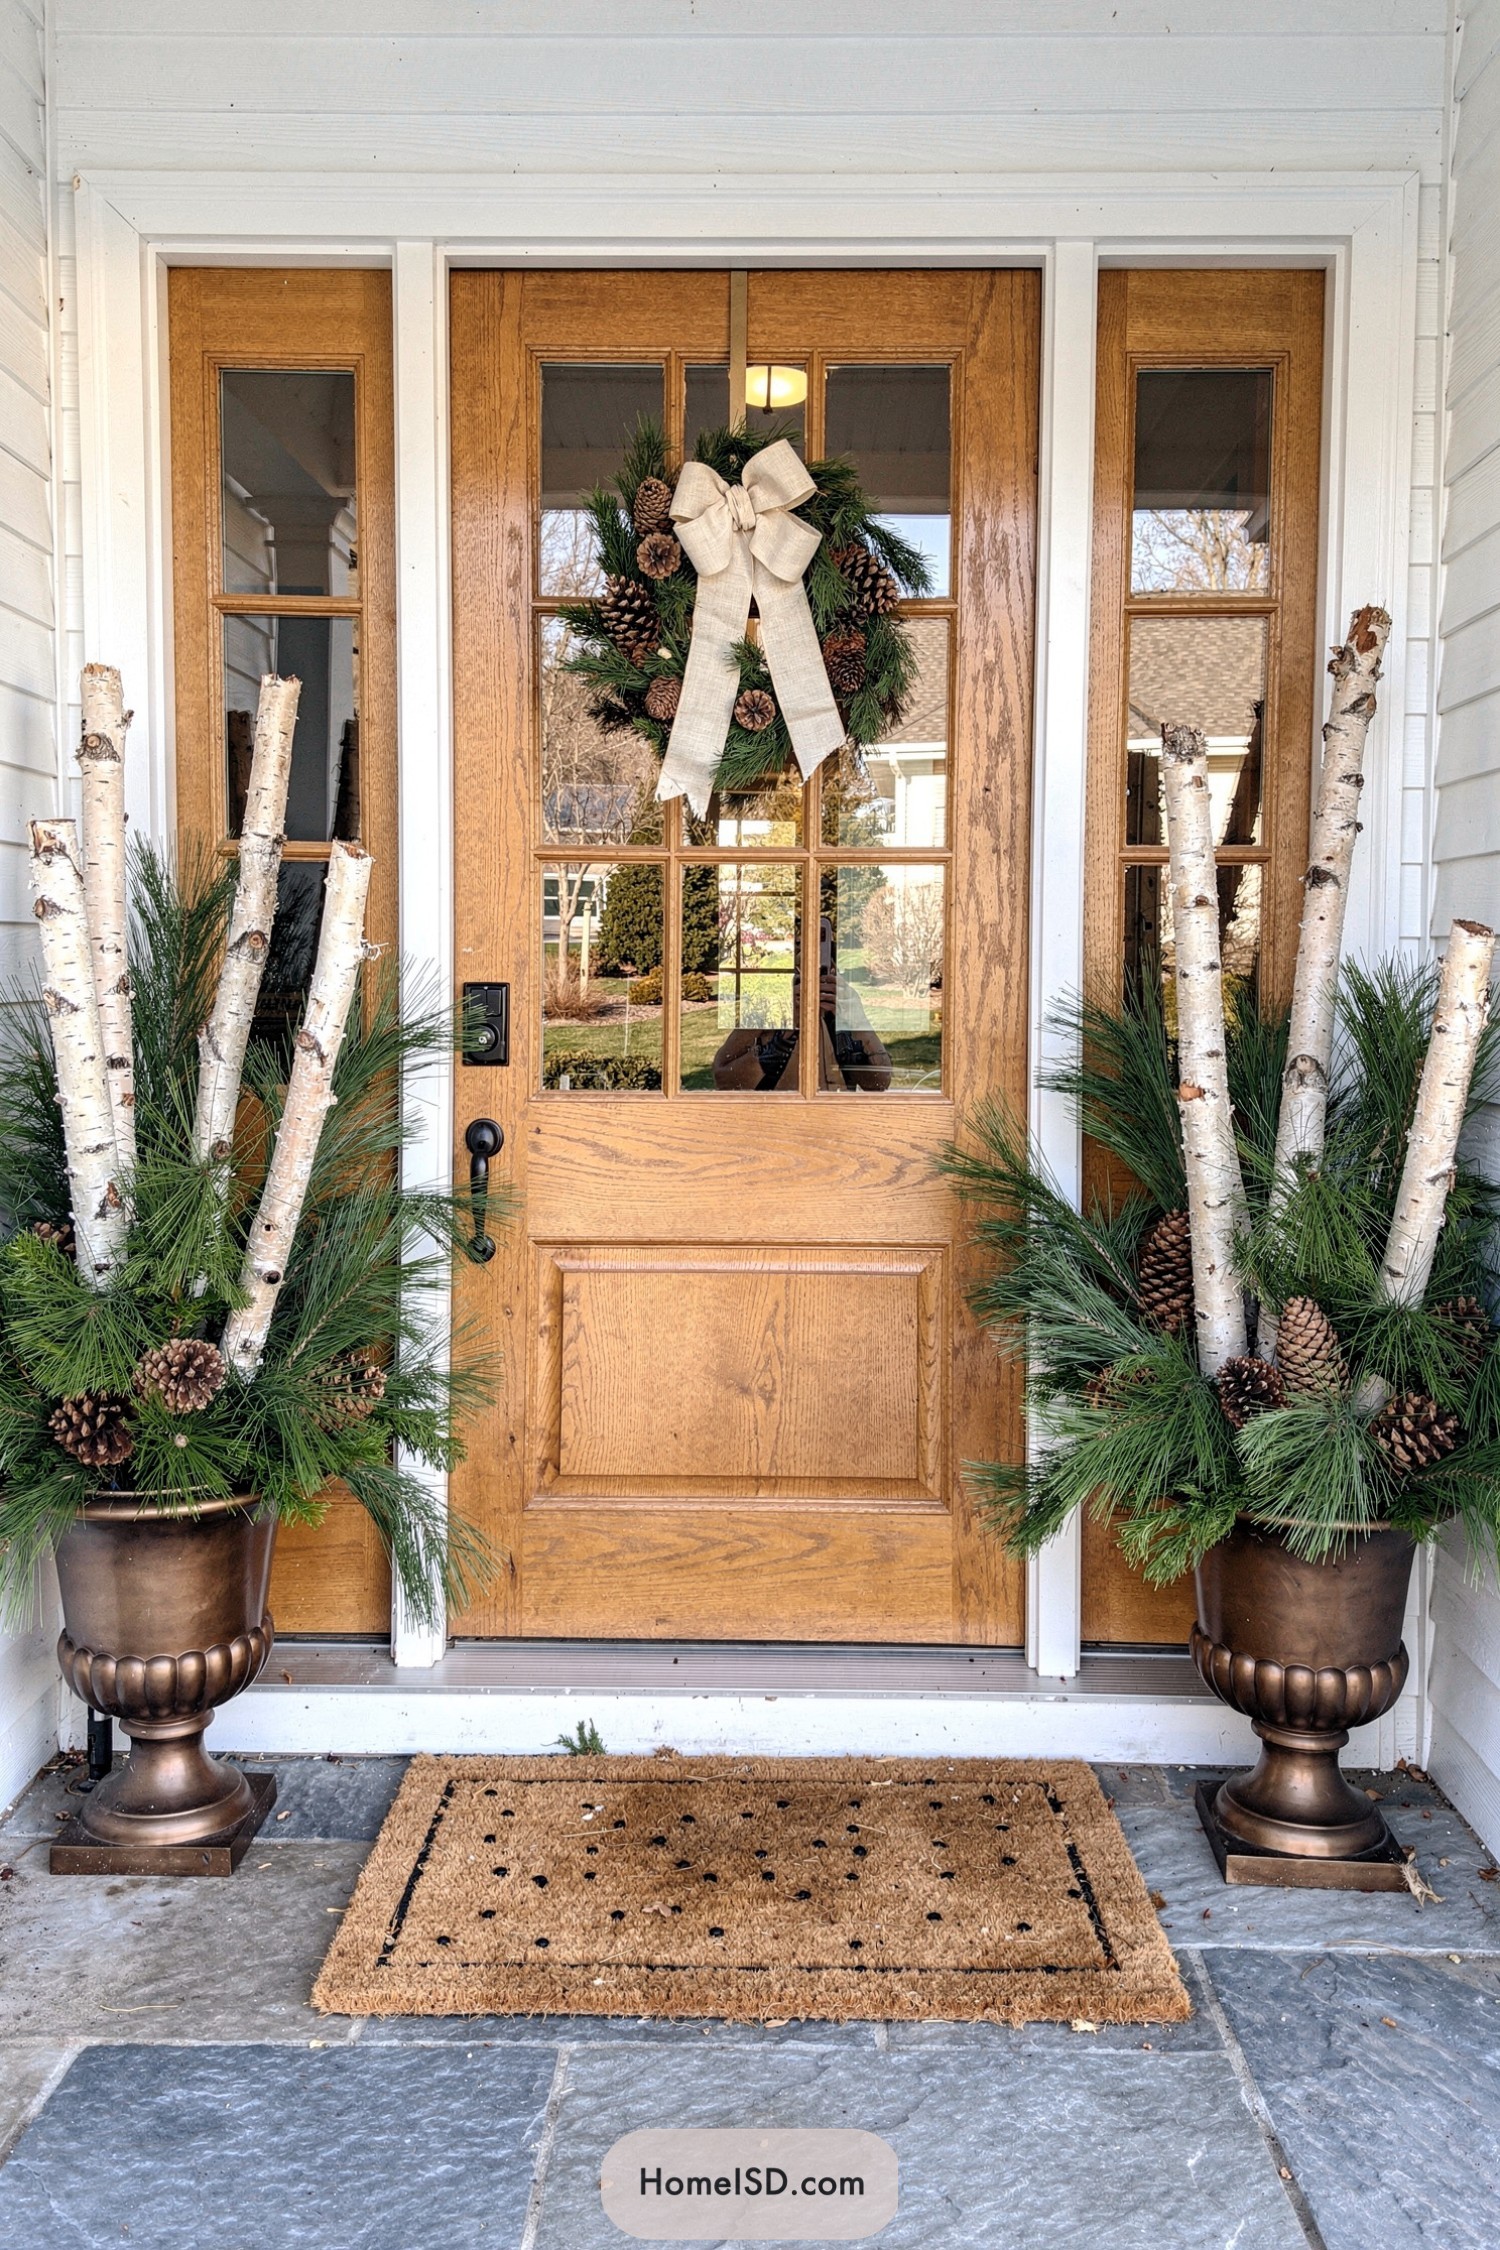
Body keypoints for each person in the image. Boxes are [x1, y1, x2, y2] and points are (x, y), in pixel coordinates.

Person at [711, 917, 893, 1091]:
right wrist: (783, 1033)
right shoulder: (769, 1006)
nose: (808, 972)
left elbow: (879, 1083)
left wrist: (858, 1021)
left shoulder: (843, 1007)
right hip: (775, 1116)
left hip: (834, 1117)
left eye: (819, 965)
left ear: (832, 969)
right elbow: (723, 1078)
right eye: (799, 962)